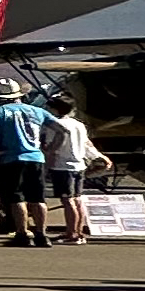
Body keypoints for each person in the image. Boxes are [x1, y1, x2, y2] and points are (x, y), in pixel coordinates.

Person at [0, 86, 59, 245]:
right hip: (36, 158)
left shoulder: (1, 111)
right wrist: (51, 149)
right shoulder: (37, 111)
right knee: (37, 197)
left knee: (17, 197)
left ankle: (22, 233)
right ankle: (41, 234)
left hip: (12, 158)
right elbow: (62, 130)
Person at [45, 95, 99, 245]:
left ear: (55, 109)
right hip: (79, 164)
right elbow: (86, 143)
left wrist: (46, 153)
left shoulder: (54, 124)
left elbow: (50, 144)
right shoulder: (78, 124)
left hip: (62, 165)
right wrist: (96, 156)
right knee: (77, 199)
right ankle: (78, 232)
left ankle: (72, 233)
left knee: (67, 200)